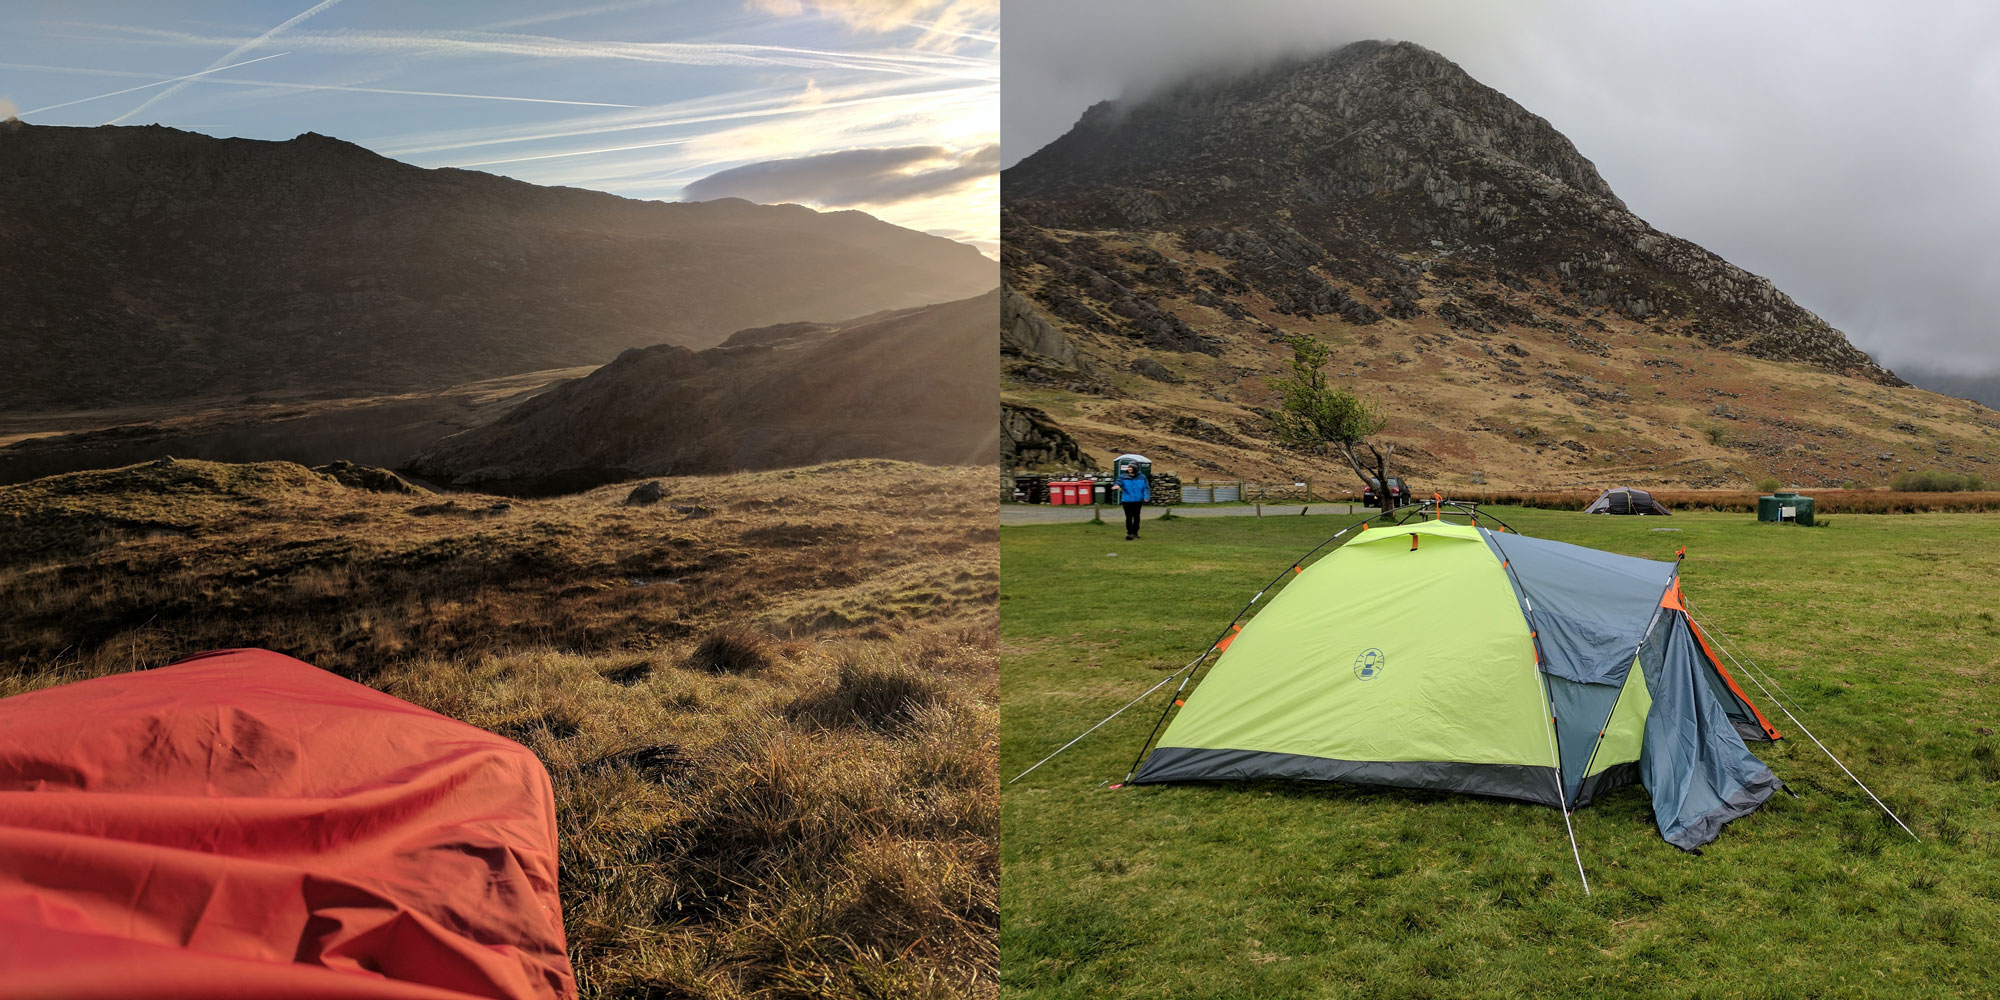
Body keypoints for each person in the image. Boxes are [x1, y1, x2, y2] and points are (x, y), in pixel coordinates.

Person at [1116, 463, 1150, 540]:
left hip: (1138, 500)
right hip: (1126, 500)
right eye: (1129, 467)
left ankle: (1135, 532)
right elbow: (1118, 482)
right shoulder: (1123, 476)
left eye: (1131, 467)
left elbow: (1146, 488)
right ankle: (1129, 533)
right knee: (1129, 517)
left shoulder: (1142, 477)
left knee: (1136, 517)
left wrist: (1146, 497)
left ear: (1135, 469)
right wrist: (1117, 485)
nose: (1129, 469)